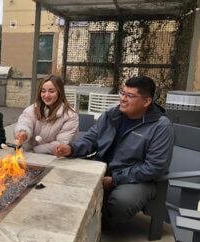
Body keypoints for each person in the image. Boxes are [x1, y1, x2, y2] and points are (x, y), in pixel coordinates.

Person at [53, 76, 174, 228]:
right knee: (62, 177)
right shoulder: (111, 115)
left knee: (121, 203)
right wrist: (71, 148)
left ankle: (100, 225)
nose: (123, 99)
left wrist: (115, 180)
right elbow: (92, 139)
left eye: (130, 96)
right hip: (101, 167)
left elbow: (155, 167)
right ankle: (84, 218)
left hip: (136, 179)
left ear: (146, 101)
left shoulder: (161, 127)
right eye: (122, 93)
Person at [14, 75, 78, 153]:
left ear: (59, 92)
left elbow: (62, 143)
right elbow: (25, 122)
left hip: (55, 159)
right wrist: (23, 133)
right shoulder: (32, 109)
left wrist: (34, 151)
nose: (46, 95)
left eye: (51, 91)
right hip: (28, 156)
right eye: (43, 91)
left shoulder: (70, 116)